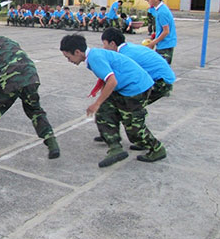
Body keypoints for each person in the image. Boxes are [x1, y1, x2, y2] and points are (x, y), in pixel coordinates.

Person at [0, 15, 60, 166]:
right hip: (30, 76)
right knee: (35, 110)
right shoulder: (4, 39)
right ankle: (51, 141)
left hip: (9, 79)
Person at [59, 34, 166, 167]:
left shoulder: (94, 58)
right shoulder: (93, 55)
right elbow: (107, 78)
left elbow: (112, 81)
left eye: (68, 57)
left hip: (136, 88)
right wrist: (101, 102)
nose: (69, 60)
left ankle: (157, 148)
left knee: (134, 130)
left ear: (77, 52)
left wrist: (96, 103)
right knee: (104, 111)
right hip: (127, 87)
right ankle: (115, 146)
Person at [101, 27, 175, 107]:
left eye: (104, 44)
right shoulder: (128, 47)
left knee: (120, 102)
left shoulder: (124, 56)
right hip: (165, 78)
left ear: (112, 43)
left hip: (161, 83)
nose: (103, 47)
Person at [146, 0, 177, 64]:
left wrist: (153, 43)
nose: (148, 0)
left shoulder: (162, 12)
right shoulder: (160, 9)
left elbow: (166, 31)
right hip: (163, 44)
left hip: (165, 45)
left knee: (162, 70)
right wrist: (154, 36)